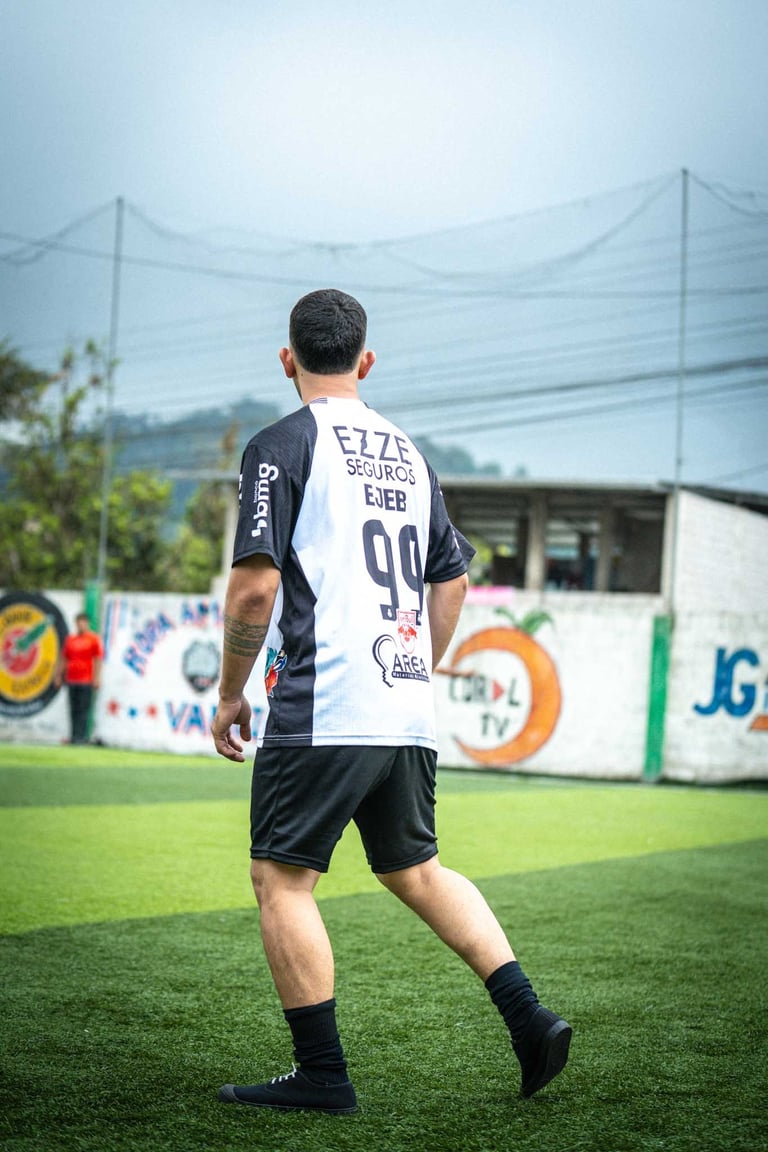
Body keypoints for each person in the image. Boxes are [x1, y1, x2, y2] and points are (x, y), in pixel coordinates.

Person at [211, 289, 571, 1115]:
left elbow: (255, 589)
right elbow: (453, 579)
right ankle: (530, 1019)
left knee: (281, 880)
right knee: (418, 870)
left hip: (324, 700)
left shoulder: (280, 445)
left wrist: (230, 692)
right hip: (403, 703)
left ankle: (323, 1075)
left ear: (288, 359)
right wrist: (417, 669)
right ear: (365, 362)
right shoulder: (410, 455)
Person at [55, 611, 103, 745]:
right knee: (73, 709)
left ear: (87, 623)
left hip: (86, 680)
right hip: (71, 679)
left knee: (83, 709)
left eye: (83, 622)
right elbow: (64, 659)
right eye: (79, 622)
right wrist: (58, 676)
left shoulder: (93, 639)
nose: (81, 624)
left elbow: (98, 659)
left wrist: (97, 678)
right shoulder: (71, 639)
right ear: (76, 623)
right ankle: (74, 736)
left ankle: (81, 737)